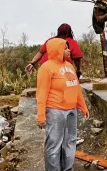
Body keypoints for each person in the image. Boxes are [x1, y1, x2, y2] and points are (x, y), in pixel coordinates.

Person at [36, 38, 89, 171]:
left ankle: (67, 168)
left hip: (72, 111)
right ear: (57, 50)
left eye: (68, 47)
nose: (69, 50)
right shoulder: (46, 68)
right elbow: (41, 93)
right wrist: (41, 116)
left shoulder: (70, 66)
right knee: (54, 144)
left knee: (70, 142)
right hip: (55, 111)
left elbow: (76, 88)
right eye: (65, 48)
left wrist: (83, 106)